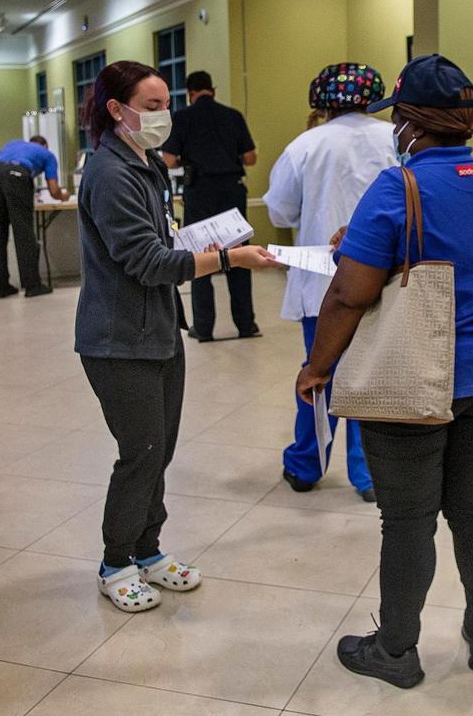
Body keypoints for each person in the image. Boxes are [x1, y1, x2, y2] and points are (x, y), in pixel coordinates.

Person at [295, 54, 473, 688]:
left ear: (413, 124)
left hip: (417, 373)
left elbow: (349, 295)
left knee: (409, 519)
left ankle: (395, 651)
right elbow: (449, 260)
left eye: (399, 120)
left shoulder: (400, 185)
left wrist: (318, 367)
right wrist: (360, 243)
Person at [77, 61, 279, 613]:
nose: (164, 115)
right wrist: (227, 258)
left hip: (160, 331)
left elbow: (160, 239)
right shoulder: (112, 173)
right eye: (151, 105)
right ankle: (115, 561)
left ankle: (148, 549)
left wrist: (203, 245)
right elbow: (145, 261)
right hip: (119, 340)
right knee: (139, 452)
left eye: (167, 103)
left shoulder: (143, 164)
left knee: (158, 451)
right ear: (116, 109)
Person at [264, 63, 396, 501]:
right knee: (369, 378)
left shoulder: (306, 144)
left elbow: (280, 212)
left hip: (322, 283)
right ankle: (370, 475)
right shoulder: (394, 138)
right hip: (382, 278)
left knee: (319, 374)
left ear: (320, 102)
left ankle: (306, 465)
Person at [161, 70, 260, 341]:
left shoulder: (181, 117)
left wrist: (187, 160)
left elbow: (168, 161)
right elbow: (250, 158)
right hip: (232, 193)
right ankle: (246, 324)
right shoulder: (233, 115)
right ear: (212, 90)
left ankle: (203, 328)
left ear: (189, 93)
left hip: (199, 192)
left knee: (201, 256)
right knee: (238, 255)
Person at [0, 135, 68, 297]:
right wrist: (64, 196)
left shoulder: (13, 143)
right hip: (16, 174)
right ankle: (32, 285)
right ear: (45, 146)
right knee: (23, 233)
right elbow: (54, 190)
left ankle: (2, 287)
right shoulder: (47, 155)